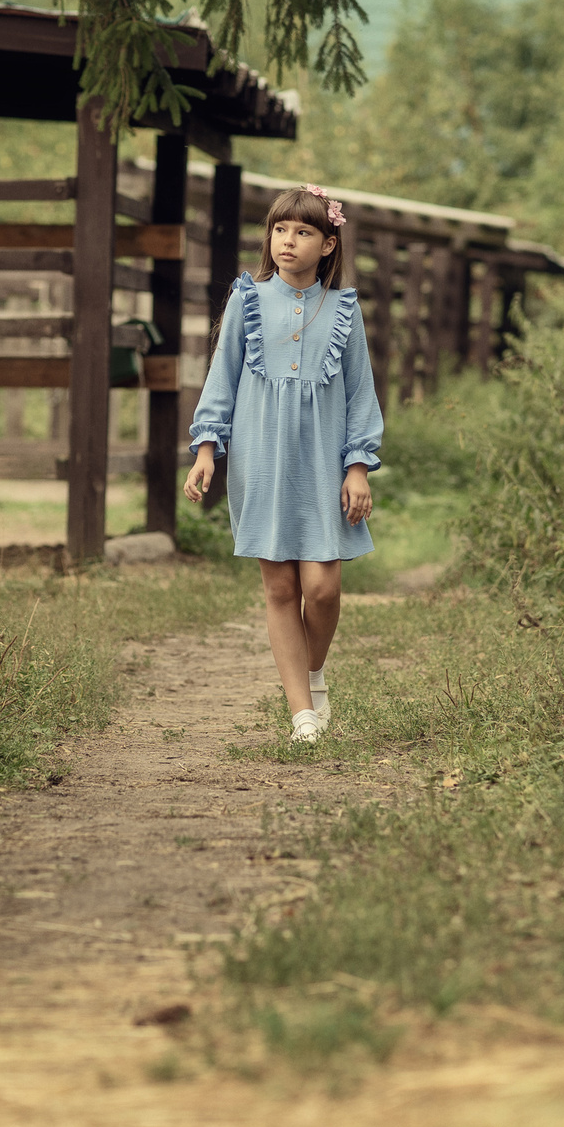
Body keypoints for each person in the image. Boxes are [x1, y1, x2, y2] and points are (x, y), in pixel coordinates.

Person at [184, 185, 383, 743]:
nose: (287, 241)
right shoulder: (245, 300)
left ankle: (312, 675)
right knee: (279, 591)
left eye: (302, 232)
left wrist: (358, 466)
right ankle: (301, 716)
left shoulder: (343, 309)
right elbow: (220, 380)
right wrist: (205, 451)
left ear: (327, 245)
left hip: (323, 462)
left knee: (321, 589)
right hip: (262, 459)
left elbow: (360, 393)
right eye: (279, 230)